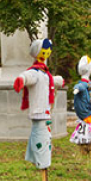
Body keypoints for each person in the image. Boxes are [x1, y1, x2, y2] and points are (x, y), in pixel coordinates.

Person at [13, 38, 65, 170]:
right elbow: (29, 76)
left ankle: (37, 158)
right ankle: (42, 162)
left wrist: (59, 80)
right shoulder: (35, 72)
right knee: (41, 137)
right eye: (44, 49)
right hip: (38, 110)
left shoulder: (44, 73)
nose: (47, 52)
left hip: (46, 110)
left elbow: (51, 81)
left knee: (44, 136)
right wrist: (22, 79)